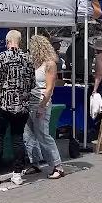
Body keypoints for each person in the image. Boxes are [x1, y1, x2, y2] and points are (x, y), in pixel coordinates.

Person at [0, 30, 35, 186]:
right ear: (20, 41)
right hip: (22, 106)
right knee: (18, 138)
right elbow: (32, 84)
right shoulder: (28, 58)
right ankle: (17, 174)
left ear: (7, 41)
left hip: (3, 104)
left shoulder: (1, 57)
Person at [23, 35, 65, 179]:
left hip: (41, 101)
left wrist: (42, 106)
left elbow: (49, 87)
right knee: (27, 135)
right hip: (29, 100)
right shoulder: (33, 63)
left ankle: (57, 166)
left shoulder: (50, 64)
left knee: (42, 135)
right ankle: (35, 163)